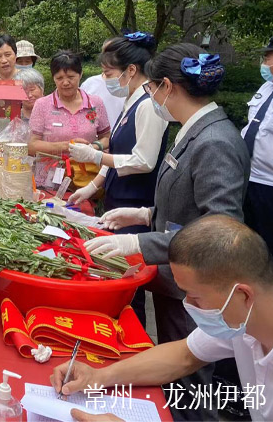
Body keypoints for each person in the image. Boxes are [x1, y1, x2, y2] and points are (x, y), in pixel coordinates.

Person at [84, 44, 250, 422]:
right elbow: (189, 201)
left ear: (166, 87)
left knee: (191, 385)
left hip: (199, 286)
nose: (151, 96)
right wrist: (145, 213)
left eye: (154, 88)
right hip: (175, 278)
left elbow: (219, 233)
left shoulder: (216, 141)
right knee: (175, 379)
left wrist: (138, 242)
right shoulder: (193, 130)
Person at [53, 216, 273, 422]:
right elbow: (185, 355)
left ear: (243, 294)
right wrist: (98, 377)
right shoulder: (243, 320)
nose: (188, 306)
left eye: (196, 297)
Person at [67, 32, 169, 325]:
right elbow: (118, 149)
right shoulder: (131, 101)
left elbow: (143, 160)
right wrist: (93, 185)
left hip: (136, 203)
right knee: (117, 269)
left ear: (132, 70)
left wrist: (96, 157)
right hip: (118, 196)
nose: (104, 78)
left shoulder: (149, 105)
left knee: (130, 279)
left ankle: (132, 333)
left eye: (108, 72)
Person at [29, 50, 110, 188]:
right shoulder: (42, 105)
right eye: (59, 78)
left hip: (86, 179)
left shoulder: (95, 103)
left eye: (71, 77)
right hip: (49, 179)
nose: (65, 83)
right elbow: (31, 146)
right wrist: (66, 146)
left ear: (81, 75)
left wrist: (91, 148)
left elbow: (107, 137)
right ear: (53, 78)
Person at [242, 35, 273, 254]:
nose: (264, 61)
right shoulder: (265, 88)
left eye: (268, 56)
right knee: (249, 247)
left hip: (270, 186)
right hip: (249, 178)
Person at [82, 39, 126, 128]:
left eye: (112, 53)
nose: (108, 58)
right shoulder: (89, 84)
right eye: (105, 54)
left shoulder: (131, 84)